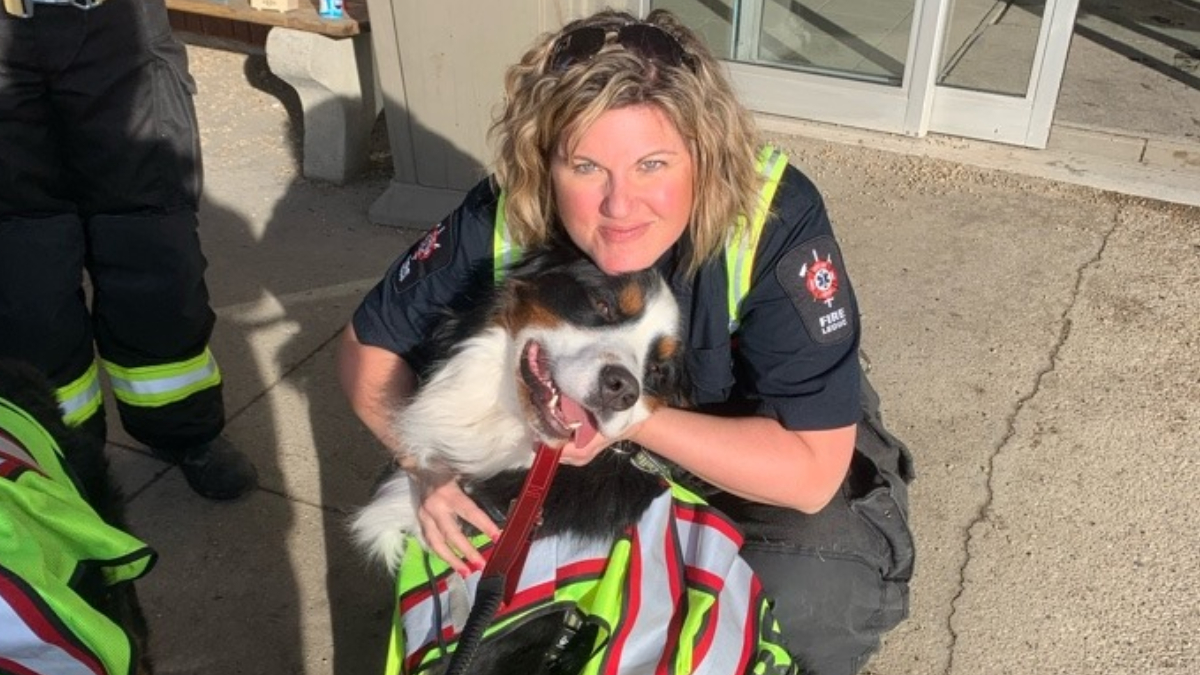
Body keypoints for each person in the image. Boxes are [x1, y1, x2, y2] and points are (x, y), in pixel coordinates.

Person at [338, 8, 915, 674]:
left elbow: (811, 472)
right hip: (584, 429)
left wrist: (633, 418)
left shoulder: (775, 220)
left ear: (704, 154)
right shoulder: (507, 209)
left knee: (809, 593)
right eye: (586, 166)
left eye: (652, 164)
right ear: (545, 161)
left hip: (750, 445)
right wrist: (427, 467)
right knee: (448, 539)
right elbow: (365, 353)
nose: (620, 205)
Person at [0, 0, 258, 500]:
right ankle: (61, 457)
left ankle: (184, 430)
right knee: (24, 273)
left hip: (114, 25)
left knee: (152, 243)